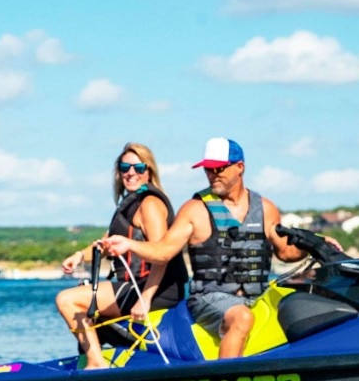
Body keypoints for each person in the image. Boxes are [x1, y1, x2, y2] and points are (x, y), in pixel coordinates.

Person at [102, 137, 337, 358]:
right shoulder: (195, 209)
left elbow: (285, 252)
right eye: (208, 169)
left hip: (257, 295)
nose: (212, 175)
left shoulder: (265, 208)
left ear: (240, 167)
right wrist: (129, 244)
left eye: (219, 168)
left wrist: (316, 244)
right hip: (209, 298)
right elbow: (163, 251)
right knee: (241, 318)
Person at [55, 143, 189, 369]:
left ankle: (96, 363)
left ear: (149, 171)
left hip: (156, 289)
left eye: (138, 167)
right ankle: (106, 357)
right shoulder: (129, 205)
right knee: (86, 300)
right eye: (125, 167)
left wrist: (145, 299)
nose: (131, 173)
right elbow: (106, 244)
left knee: (67, 300)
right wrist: (79, 256)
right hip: (137, 286)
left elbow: (161, 255)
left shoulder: (150, 205)